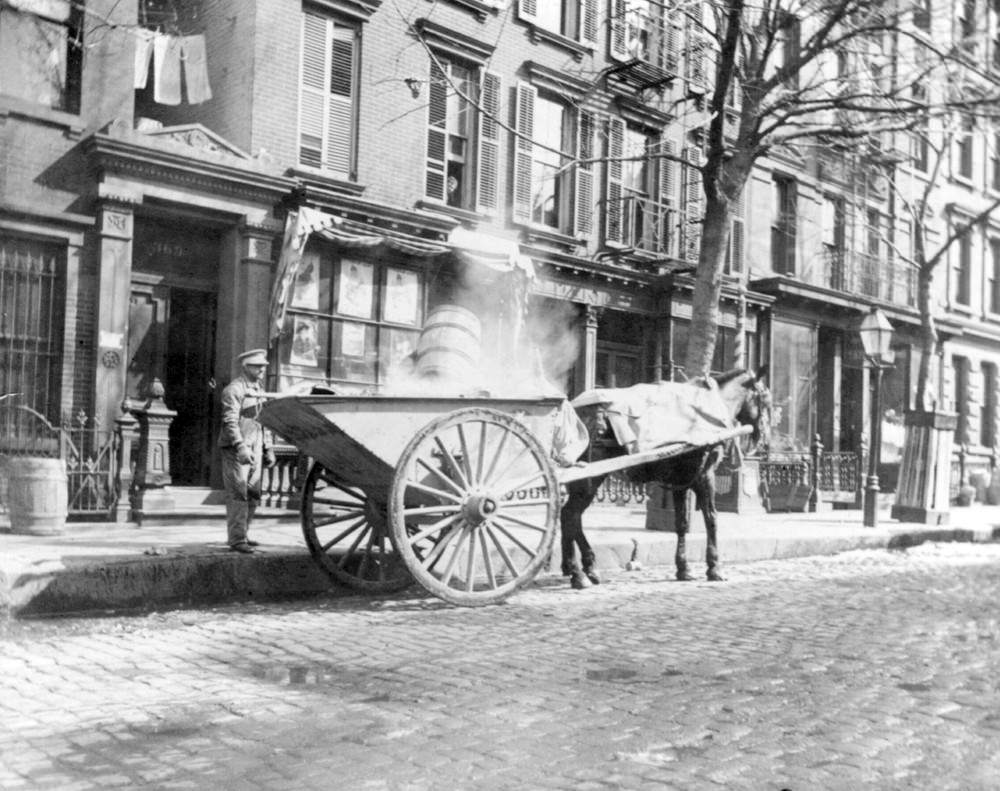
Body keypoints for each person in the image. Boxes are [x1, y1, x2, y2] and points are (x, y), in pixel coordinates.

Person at [218, 349, 276, 553]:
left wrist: (268, 447)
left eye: (263, 366)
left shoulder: (259, 388)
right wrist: (240, 446)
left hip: (256, 445)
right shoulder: (233, 390)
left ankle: (244, 533)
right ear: (246, 367)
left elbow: (264, 419)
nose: (262, 369)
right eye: (257, 366)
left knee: (253, 492)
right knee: (238, 493)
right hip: (237, 448)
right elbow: (230, 421)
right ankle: (236, 539)